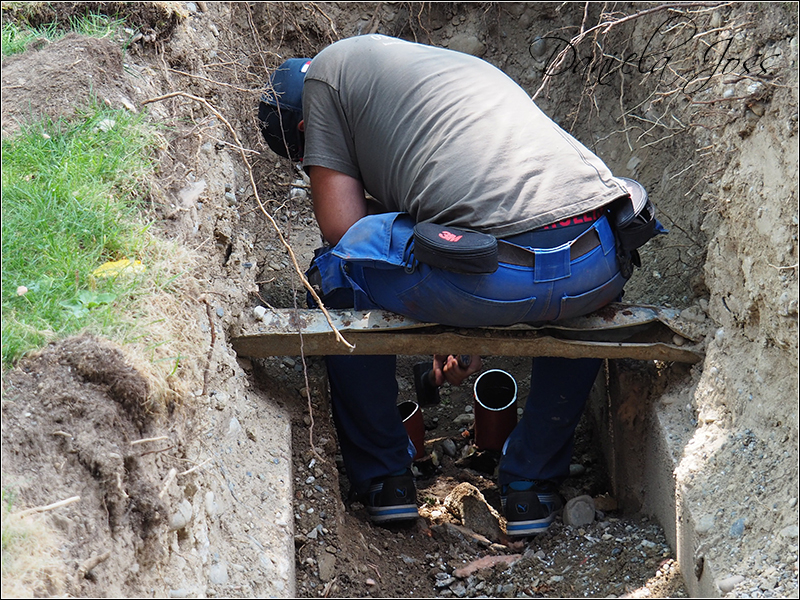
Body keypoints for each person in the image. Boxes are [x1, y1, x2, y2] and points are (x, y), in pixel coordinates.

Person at [258, 34, 656, 535]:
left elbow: (346, 232)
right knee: (572, 286)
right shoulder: (435, 77)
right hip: (599, 261)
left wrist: (458, 311)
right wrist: (451, 328)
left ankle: (387, 481)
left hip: (494, 279)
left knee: (337, 267)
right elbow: (490, 210)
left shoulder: (321, 85)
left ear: (304, 128)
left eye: (308, 160)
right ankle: (531, 487)